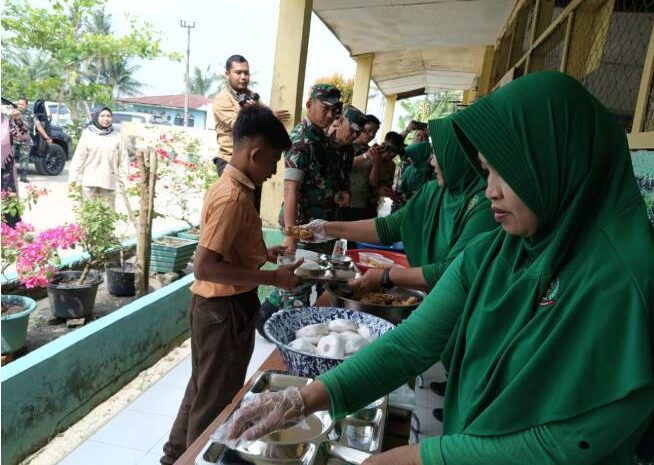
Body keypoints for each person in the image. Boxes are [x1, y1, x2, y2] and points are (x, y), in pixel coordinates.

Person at [225, 72, 654, 465]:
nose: (490, 191)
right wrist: (304, 399)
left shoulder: (626, 284)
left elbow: (572, 443)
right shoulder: (498, 253)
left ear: (558, 162)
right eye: (486, 171)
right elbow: (410, 344)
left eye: (507, 173)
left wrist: (420, 459)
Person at [160, 105, 304, 465]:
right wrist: (272, 278)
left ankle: (174, 457)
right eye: (272, 162)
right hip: (222, 312)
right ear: (255, 153)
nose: (272, 172)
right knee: (215, 403)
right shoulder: (233, 197)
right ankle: (195, 459)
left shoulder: (231, 185)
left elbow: (229, 250)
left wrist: (263, 254)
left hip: (218, 310)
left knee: (201, 389)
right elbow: (205, 266)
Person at [212, 54, 290, 212]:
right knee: (234, 205)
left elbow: (264, 125)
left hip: (253, 161)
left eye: (246, 73)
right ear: (227, 74)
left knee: (252, 209)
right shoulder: (222, 100)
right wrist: (263, 114)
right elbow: (242, 126)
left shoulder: (252, 97)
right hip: (230, 160)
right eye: (238, 72)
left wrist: (264, 114)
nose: (243, 77)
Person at [68, 106, 128, 207]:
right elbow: (79, 159)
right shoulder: (88, 135)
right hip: (89, 183)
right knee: (88, 215)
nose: (106, 119)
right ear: (96, 117)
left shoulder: (117, 137)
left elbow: (124, 161)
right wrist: (73, 180)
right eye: (102, 116)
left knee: (107, 216)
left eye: (109, 116)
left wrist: (123, 182)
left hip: (109, 182)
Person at [347, 114, 382, 225]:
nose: (371, 135)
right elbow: (344, 164)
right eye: (369, 130)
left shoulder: (373, 152)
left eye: (374, 132)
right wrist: (365, 156)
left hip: (361, 203)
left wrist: (376, 164)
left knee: (355, 240)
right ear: (361, 127)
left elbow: (373, 182)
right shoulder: (346, 146)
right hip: (342, 200)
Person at [16, 98, 51, 182]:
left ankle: (23, 177)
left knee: (24, 158)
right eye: (18, 104)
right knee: (8, 157)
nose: (20, 106)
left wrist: (47, 137)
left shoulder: (31, 114)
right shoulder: (13, 112)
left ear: (26, 105)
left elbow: (38, 126)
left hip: (26, 139)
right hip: (13, 139)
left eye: (22, 104)